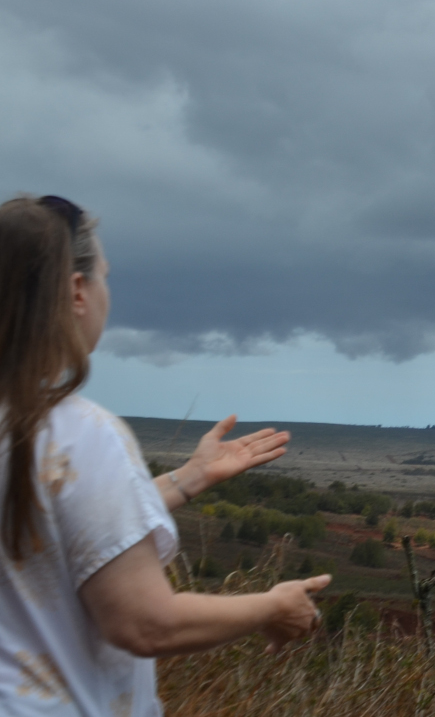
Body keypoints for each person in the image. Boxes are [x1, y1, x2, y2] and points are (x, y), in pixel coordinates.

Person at [0, 195, 331, 716]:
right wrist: (273, 605)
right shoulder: (81, 433)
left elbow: (48, 526)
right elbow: (144, 623)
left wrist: (188, 479)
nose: (110, 294)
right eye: (105, 276)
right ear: (77, 291)